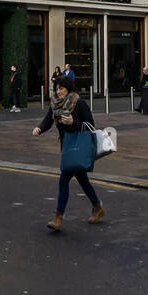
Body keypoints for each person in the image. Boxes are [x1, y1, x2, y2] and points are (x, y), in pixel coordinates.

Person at [33, 75, 104, 231]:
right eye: (57, 89)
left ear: (69, 89)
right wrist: (39, 128)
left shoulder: (79, 103)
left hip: (79, 147)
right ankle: (97, 206)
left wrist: (74, 123)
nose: (59, 92)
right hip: (67, 147)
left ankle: (58, 217)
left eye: (62, 89)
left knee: (64, 179)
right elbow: (48, 120)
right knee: (82, 180)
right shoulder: (55, 105)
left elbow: (91, 126)